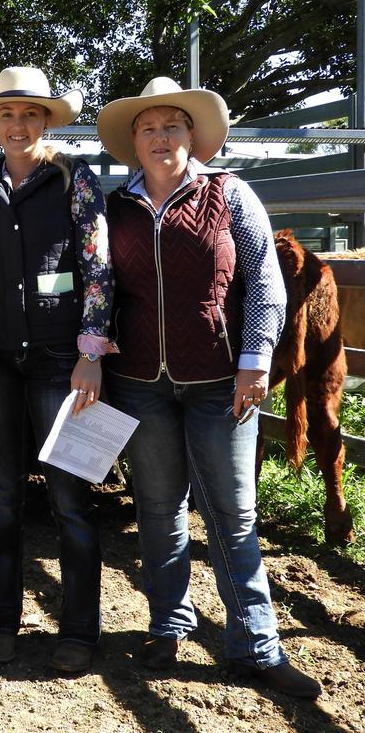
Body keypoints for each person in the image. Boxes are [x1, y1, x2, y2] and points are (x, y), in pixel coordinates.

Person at [95, 77, 321, 699]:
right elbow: (101, 290)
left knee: (233, 510)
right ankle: (168, 625)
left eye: (173, 125)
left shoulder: (231, 194)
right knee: (159, 510)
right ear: (133, 143)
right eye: (149, 127)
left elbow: (265, 284)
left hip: (222, 381)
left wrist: (255, 359)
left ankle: (256, 643)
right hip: (140, 381)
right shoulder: (118, 208)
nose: (161, 136)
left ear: (192, 135)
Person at [0, 67, 114, 672]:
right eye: (5, 114)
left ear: (46, 119)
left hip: (62, 364)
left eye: (29, 114)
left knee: (70, 496)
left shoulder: (75, 180)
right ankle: (0, 623)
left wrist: (91, 353)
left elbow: (98, 267)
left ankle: (79, 630)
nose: (17, 124)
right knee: (0, 494)